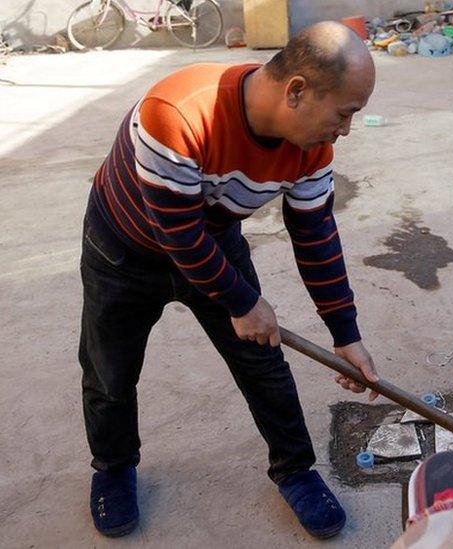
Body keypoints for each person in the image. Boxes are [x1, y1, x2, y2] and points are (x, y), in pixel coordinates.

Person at [78, 21, 377, 539]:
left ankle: (296, 470)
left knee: (263, 364)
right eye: (345, 112)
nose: (345, 130)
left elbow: (315, 233)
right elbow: (177, 233)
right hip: (123, 249)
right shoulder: (176, 112)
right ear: (297, 90)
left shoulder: (313, 148)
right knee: (110, 369)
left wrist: (345, 333)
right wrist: (242, 300)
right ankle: (113, 468)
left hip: (211, 239)